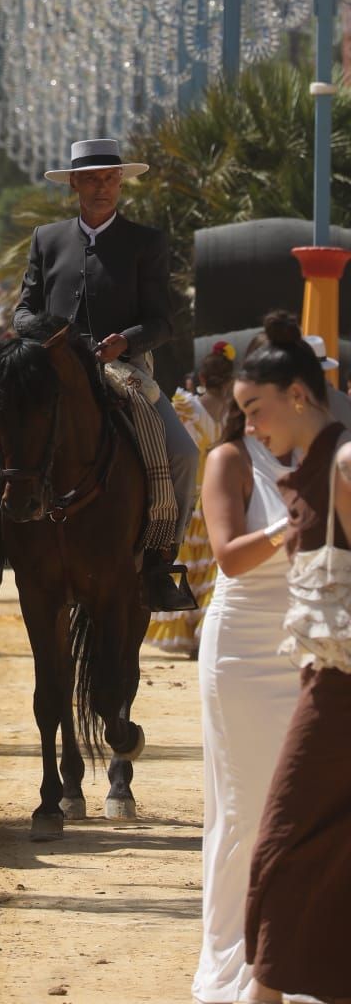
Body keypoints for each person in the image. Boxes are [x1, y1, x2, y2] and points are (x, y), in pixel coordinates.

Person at [0, 137, 197, 611]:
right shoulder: (48, 237)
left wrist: (127, 339)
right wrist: (40, 334)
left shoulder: (147, 242)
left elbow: (163, 321)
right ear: (75, 184)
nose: (102, 187)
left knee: (184, 453)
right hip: (48, 366)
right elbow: (23, 307)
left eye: (109, 178)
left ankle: (162, 561)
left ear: (120, 182)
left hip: (121, 367)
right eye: (92, 179)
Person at [239, 315, 351, 1004]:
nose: (251, 426)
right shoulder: (314, 468)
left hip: (341, 690)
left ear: (300, 395)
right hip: (328, 680)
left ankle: (264, 994)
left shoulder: (341, 464)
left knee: (281, 840)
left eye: (256, 408)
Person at [193, 335, 299, 1004]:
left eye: (259, 405)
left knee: (303, 810)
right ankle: (240, 961)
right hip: (243, 649)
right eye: (244, 406)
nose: (252, 419)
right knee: (247, 809)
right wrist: (296, 522)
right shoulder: (229, 457)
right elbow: (229, 555)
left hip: (310, 641)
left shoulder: (329, 454)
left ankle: (295, 958)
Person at [148, 339, 239, 659]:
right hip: (224, 496)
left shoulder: (186, 407)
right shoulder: (235, 412)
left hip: (193, 496)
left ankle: (189, 632)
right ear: (230, 381)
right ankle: (208, 633)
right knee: (213, 572)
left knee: (188, 565)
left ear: (201, 379)